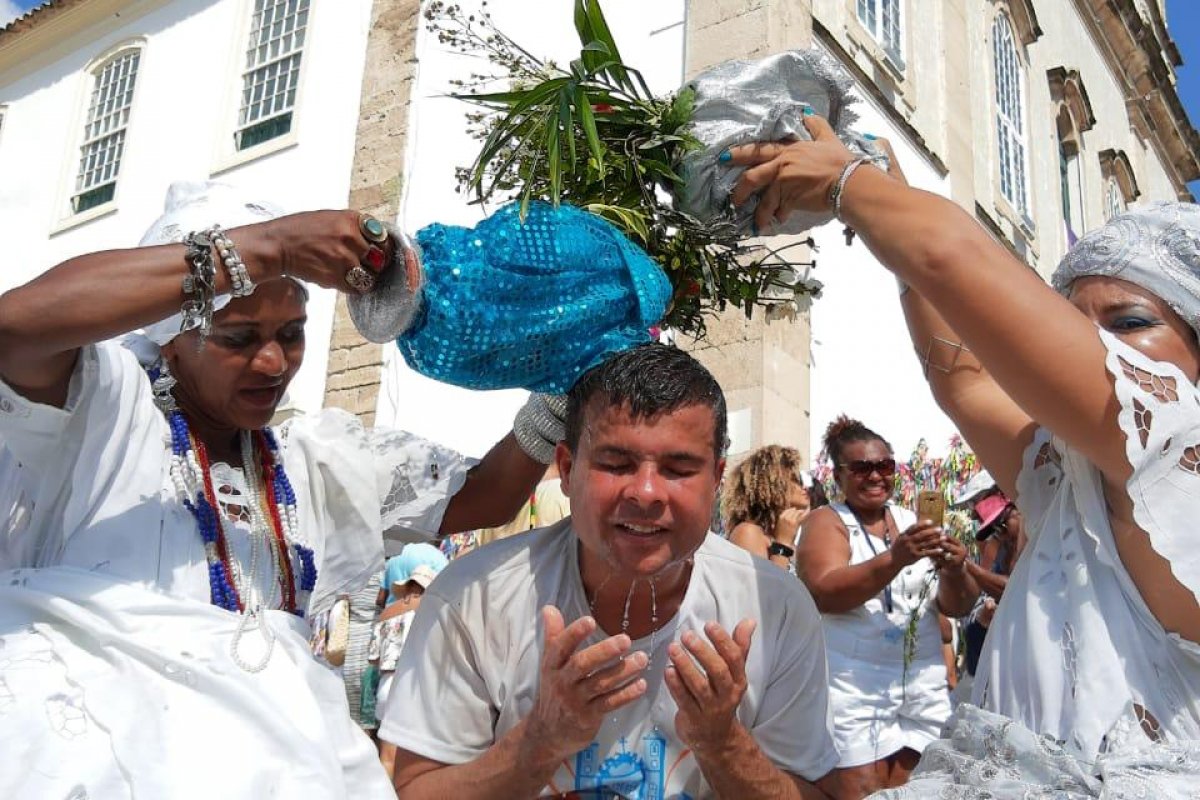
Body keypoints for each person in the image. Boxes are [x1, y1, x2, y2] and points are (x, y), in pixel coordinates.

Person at [0, 182, 552, 798]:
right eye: (238, 338)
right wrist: (271, 249)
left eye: (291, 332)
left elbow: (487, 496)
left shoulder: (316, 460)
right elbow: (15, 328)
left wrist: (561, 391)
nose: (273, 362)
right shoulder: (99, 412)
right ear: (171, 341)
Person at [728, 115, 1200, 794]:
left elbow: (953, 259)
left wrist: (852, 187)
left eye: (1130, 324)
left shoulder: (1178, 455)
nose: (1095, 349)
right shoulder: (1071, 477)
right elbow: (964, 377)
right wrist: (886, 208)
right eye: (1072, 324)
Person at [380, 344, 840, 799]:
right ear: (566, 468)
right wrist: (541, 738)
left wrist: (722, 743)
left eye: (679, 469)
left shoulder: (775, 608)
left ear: (716, 479)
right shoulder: (472, 599)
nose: (645, 492)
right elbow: (417, 789)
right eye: (615, 464)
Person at [795, 416, 978, 799]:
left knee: (926, 787)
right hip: (853, 686)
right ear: (839, 475)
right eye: (861, 467)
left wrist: (954, 569)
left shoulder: (914, 521)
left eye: (884, 466)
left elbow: (957, 606)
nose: (875, 475)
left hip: (921, 681)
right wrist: (895, 558)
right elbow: (824, 591)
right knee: (861, 792)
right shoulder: (826, 521)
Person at [370, 545, 448, 777]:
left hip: (386, 684)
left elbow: (373, 658)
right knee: (415, 764)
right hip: (414, 685)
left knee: (386, 756)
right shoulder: (433, 612)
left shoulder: (387, 613)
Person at [951, 472, 1026, 695]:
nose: (974, 514)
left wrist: (966, 565)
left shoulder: (1028, 527)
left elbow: (1012, 588)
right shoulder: (998, 540)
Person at [722, 444, 828, 570]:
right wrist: (782, 544)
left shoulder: (785, 535)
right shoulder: (748, 533)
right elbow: (765, 588)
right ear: (772, 485)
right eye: (795, 479)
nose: (804, 487)